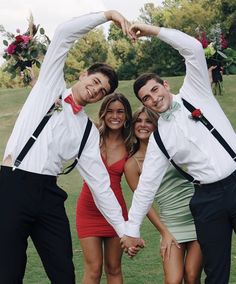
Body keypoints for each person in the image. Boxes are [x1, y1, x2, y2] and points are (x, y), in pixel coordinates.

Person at [0, 10, 144, 283]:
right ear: (83, 74)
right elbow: (64, 35)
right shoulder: (49, 87)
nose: (96, 90)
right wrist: (108, 15)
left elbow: (101, 184)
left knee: (64, 271)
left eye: (102, 91)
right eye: (95, 82)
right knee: (8, 270)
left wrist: (123, 230)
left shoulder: (87, 130)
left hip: (49, 195)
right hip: (12, 185)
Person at [121, 22, 236, 284]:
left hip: (235, 179)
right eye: (146, 98)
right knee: (216, 273)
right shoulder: (160, 137)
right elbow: (146, 186)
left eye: (154, 90)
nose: (153, 98)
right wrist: (131, 229)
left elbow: (193, 48)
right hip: (207, 200)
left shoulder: (196, 92)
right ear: (144, 105)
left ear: (164, 85)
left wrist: (152, 31)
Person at [124, 107, 202, 283]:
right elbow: (144, 204)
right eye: (139, 121)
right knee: (173, 280)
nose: (143, 125)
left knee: (192, 275)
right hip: (171, 224)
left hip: (197, 217)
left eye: (148, 121)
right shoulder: (132, 164)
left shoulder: (171, 147)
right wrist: (164, 232)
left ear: (156, 125)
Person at [76, 92, 132, 284]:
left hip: (116, 211)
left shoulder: (131, 143)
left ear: (126, 116)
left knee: (114, 268)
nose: (114, 116)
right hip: (88, 210)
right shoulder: (91, 135)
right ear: (103, 113)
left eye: (120, 112)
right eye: (109, 111)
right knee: (93, 269)